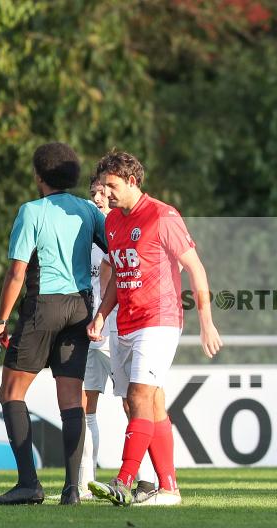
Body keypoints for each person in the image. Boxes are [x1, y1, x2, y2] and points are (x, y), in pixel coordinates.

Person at [87, 150, 222, 507]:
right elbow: (117, 273)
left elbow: (195, 268)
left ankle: (124, 481)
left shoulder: (163, 216)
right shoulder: (113, 222)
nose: (107, 193)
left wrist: (206, 322)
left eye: (112, 185)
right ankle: (168, 489)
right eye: (103, 186)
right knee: (147, 405)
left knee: (139, 396)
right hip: (124, 322)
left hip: (159, 319)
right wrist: (102, 315)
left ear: (132, 181)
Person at [0, 142, 107, 506]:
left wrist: (1, 320)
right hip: (80, 307)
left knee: (11, 393)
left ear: (39, 175)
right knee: (71, 401)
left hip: (44, 306)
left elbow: (17, 272)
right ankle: (73, 490)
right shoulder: (88, 209)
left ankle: (29, 484)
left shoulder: (32, 211)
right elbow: (113, 252)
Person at [76, 176, 158, 501]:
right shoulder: (87, 236)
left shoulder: (121, 231)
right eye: (94, 192)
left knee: (133, 403)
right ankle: (84, 483)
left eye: (104, 191)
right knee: (84, 406)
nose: (99, 196)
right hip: (86, 331)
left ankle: (147, 480)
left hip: (118, 328)